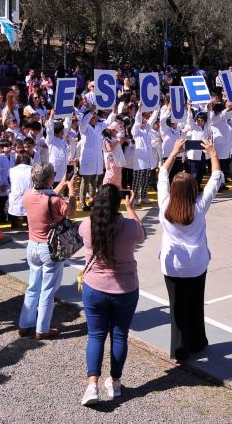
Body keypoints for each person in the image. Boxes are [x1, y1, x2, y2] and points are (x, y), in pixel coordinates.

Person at [77, 184, 145, 405]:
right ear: (118, 204)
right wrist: (130, 208)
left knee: (96, 335)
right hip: (125, 288)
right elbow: (142, 234)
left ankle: (92, 386)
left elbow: (82, 232)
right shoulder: (129, 226)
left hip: (94, 287)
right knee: (119, 335)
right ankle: (115, 383)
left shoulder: (87, 225)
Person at [156, 138, 223, 360]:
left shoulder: (165, 206)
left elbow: (162, 175)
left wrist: (174, 152)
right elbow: (215, 178)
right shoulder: (199, 207)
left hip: (172, 265)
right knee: (196, 303)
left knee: (176, 307)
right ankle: (197, 341)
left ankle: (179, 348)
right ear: (193, 189)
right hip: (196, 264)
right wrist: (212, 153)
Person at [17, 163, 77, 340]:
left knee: (33, 287)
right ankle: (42, 329)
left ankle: (24, 324)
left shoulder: (28, 195)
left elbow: (47, 197)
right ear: (50, 179)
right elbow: (71, 211)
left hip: (32, 245)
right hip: (49, 248)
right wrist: (72, 191)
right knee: (47, 290)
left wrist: (62, 184)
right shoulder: (55, 200)